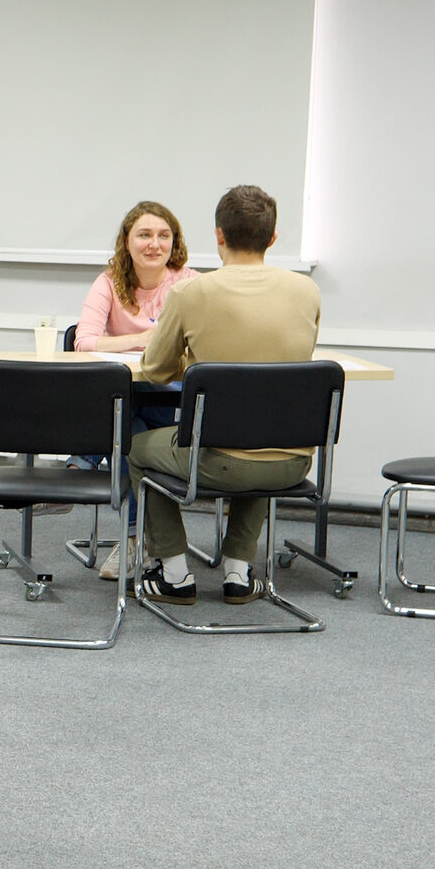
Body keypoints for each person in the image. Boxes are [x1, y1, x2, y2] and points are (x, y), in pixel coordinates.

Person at [126, 185, 320, 605]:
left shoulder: (190, 293)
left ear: (218, 235)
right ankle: (238, 571)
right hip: (293, 463)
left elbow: (155, 370)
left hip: (220, 463)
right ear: (272, 237)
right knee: (263, 429)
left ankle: (174, 574)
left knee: (137, 448)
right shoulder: (307, 292)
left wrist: (194, 361)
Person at [71, 202, 200, 580]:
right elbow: (83, 342)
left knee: (124, 419)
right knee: (131, 429)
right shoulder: (109, 281)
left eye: (163, 236)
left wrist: (129, 343)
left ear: (174, 242)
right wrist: (142, 338)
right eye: (144, 235)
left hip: (168, 394)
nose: (154, 244)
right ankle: (133, 539)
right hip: (126, 396)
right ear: (126, 242)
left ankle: (80, 465)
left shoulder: (189, 283)